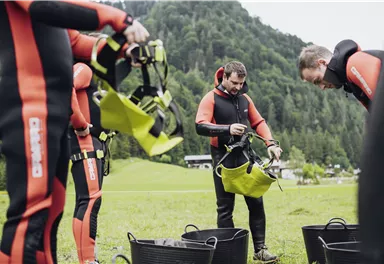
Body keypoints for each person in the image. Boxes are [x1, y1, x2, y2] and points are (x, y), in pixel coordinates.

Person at [0, 1, 149, 263]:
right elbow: (48, 7)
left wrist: (124, 49)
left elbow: (78, 42)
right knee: (31, 213)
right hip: (29, 109)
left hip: (54, 117)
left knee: (52, 211)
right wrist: (119, 18)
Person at [195, 61, 282, 263]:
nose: (238, 87)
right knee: (225, 208)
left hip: (244, 156)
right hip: (222, 158)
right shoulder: (211, 98)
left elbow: (259, 122)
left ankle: (260, 250)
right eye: (234, 82)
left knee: (256, 202)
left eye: (241, 83)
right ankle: (227, 255)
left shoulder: (244, 98)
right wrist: (227, 129)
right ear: (224, 77)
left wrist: (270, 144)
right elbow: (200, 126)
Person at [69, 51, 135, 264]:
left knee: (87, 201)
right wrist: (79, 123)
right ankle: (88, 261)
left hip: (95, 143)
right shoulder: (84, 68)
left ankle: (88, 258)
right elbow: (64, 88)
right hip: (84, 140)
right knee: (89, 201)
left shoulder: (96, 76)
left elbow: (115, 74)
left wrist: (131, 61)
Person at [298, 39, 384, 111]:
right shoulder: (352, 83)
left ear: (323, 63)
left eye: (318, 80)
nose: (322, 87)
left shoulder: (354, 63)